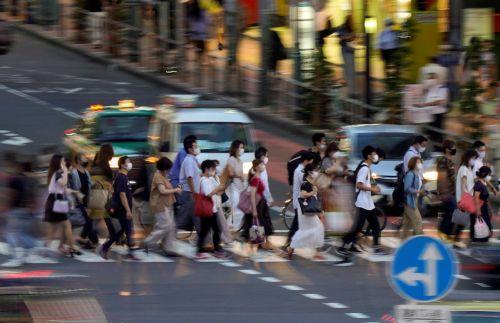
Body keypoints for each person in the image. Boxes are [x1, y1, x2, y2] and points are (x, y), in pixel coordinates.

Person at [337, 146, 387, 256]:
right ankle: (343, 245)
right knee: (358, 227)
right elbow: (359, 185)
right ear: (369, 156)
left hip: (367, 202)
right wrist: (372, 188)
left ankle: (376, 248)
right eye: (374, 154)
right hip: (362, 202)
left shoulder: (367, 168)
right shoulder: (364, 168)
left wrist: (373, 187)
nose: (375, 156)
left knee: (375, 225)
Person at [99, 156, 138, 260]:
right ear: (122, 165)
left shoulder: (123, 177)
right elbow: (122, 195)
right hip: (122, 209)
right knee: (127, 230)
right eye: (128, 162)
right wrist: (128, 210)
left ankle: (106, 247)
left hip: (123, 209)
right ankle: (106, 247)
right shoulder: (121, 177)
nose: (130, 163)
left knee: (123, 231)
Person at [142, 157, 182, 255]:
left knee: (171, 227)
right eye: (168, 168)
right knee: (165, 226)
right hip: (160, 205)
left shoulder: (163, 176)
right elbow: (162, 190)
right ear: (165, 168)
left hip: (168, 204)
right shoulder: (158, 176)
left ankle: (169, 248)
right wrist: (175, 190)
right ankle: (147, 242)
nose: (169, 170)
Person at [44, 154, 81, 256]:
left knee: (54, 227)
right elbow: (63, 184)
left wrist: (75, 192)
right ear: (58, 163)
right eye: (62, 161)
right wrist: (65, 170)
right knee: (66, 224)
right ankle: (72, 247)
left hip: (54, 200)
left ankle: (47, 246)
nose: (64, 163)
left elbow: (64, 189)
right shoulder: (57, 173)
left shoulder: (54, 173)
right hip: (57, 201)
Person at [288, 163, 325, 260]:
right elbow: (302, 194)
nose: (317, 172)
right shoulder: (306, 183)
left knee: (312, 229)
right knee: (311, 229)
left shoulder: (311, 182)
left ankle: (292, 248)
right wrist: (313, 192)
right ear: (310, 172)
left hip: (309, 210)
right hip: (306, 210)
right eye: (315, 170)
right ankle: (292, 247)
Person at [196, 160, 227, 259]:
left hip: (212, 209)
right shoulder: (204, 180)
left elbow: (218, 189)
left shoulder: (210, 178)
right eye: (213, 169)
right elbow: (208, 193)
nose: (214, 171)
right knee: (206, 231)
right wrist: (218, 189)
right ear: (206, 169)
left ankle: (216, 249)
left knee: (215, 229)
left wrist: (219, 185)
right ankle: (201, 251)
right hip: (207, 210)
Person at [241, 159, 274, 249]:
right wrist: (254, 210)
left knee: (261, 224)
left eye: (263, 164)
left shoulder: (258, 178)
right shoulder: (255, 179)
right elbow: (252, 196)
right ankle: (254, 246)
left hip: (261, 204)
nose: (263, 166)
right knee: (257, 224)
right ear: (256, 167)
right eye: (261, 164)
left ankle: (260, 243)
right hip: (258, 205)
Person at [286, 151, 316, 247]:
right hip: (300, 201)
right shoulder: (300, 171)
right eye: (310, 162)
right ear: (306, 161)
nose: (311, 164)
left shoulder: (301, 169)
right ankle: (289, 243)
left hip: (300, 201)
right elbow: (306, 183)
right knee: (297, 224)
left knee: (298, 223)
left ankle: (290, 243)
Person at [70, 154, 97, 250]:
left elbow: (89, 184)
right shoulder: (73, 172)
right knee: (87, 221)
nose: (85, 160)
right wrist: (79, 199)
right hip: (78, 201)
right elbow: (74, 187)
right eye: (83, 158)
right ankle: (93, 240)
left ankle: (82, 239)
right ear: (78, 160)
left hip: (86, 200)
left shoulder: (86, 172)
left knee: (88, 220)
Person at [414, 72, 449, 143]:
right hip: (429, 114)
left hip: (438, 114)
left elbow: (440, 101)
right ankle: (431, 146)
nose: (430, 80)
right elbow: (423, 98)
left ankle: (438, 148)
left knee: (437, 132)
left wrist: (424, 104)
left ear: (437, 79)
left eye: (432, 78)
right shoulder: (429, 89)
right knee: (430, 132)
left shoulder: (442, 88)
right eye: (429, 78)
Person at [454, 150, 479, 248]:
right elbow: (463, 185)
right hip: (465, 198)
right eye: (473, 158)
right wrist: (464, 199)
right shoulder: (464, 168)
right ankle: (457, 240)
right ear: (468, 158)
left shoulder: (469, 169)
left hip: (469, 197)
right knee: (463, 220)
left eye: (475, 159)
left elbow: (470, 182)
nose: (474, 160)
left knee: (471, 218)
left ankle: (472, 239)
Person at [90, 144, 115, 239]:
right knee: (99, 215)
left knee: (104, 214)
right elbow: (110, 179)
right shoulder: (105, 165)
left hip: (95, 192)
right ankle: (89, 235)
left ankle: (113, 235)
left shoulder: (95, 162)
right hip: (102, 193)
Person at [178, 137, 201, 233]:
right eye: (195, 146)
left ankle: (202, 241)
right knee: (187, 219)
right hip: (189, 193)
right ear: (190, 149)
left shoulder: (194, 160)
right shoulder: (189, 161)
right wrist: (194, 192)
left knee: (195, 217)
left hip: (191, 192)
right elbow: (190, 177)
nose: (197, 148)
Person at [436, 140, 457, 241]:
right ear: (447, 149)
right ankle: (444, 232)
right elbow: (442, 177)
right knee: (452, 211)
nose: (454, 149)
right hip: (447, 192)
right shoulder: (443, 161)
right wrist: (444, 192)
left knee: (449, 212)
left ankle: (445, 232)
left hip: (452, 192)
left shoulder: (450, 161)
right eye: (452, 147)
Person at [225, 140, 245, 230]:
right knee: (236, 208)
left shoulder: (240, 160)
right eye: (240, 147)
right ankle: (229, 227)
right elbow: (230, 173)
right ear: (235, 148)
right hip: (233, 188)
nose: (242, 149)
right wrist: (239, 176)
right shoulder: (231, 159)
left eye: (243, 147)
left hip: (240, 188)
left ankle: (232, 228)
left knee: (238, 209)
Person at [402, 157, 424, 239]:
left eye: (420, 162)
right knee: (418, 220)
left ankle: (403, 243)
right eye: (418, 162)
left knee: (407, 224)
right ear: (413, 164)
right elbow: (407, 188)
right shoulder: (410, 174)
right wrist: (418, 192)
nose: (420, 164)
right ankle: (420, 242)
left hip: (414, 200)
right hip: (409, 201)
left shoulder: (417, 174)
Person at [471, 166, 493, 243]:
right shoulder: (478, 184)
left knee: (487, 228)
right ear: (484, 174)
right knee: (483, 228)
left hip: (484, 208)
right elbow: (476, 198)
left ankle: (481, 241)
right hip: (480, 209)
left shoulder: (483, 183)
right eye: (488, 174)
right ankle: (478, 243)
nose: (489, 176)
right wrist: (478, 210)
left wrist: (489, 208)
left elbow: (485, 198)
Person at [338, 14, 356, 97]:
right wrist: (349, 37)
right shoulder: (343, 27)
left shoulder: (351, 28)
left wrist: (351, 37)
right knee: (348, 72)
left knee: (351, 72)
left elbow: (353, 37)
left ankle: (351, 91)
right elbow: (341, 37)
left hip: (351, 51)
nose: (353, 21)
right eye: (352, 20)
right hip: (346, 51)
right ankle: (350, 92)